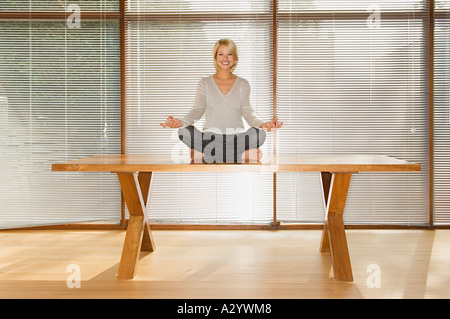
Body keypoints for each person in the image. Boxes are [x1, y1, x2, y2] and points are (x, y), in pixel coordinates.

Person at [161, 38, 283, 163]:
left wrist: (262, 124)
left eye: (229, 54)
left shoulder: (243, 84)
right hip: (209, 139)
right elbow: (197, 110)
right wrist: (180, 122)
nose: (225, 58)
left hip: (237, 139)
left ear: (234, 58)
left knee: (259, 134)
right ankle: (240, 156)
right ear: (215, 57)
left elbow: (248, 112)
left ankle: (207, 155)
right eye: (221, 54)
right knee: (184, 131)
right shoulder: (205, 83)